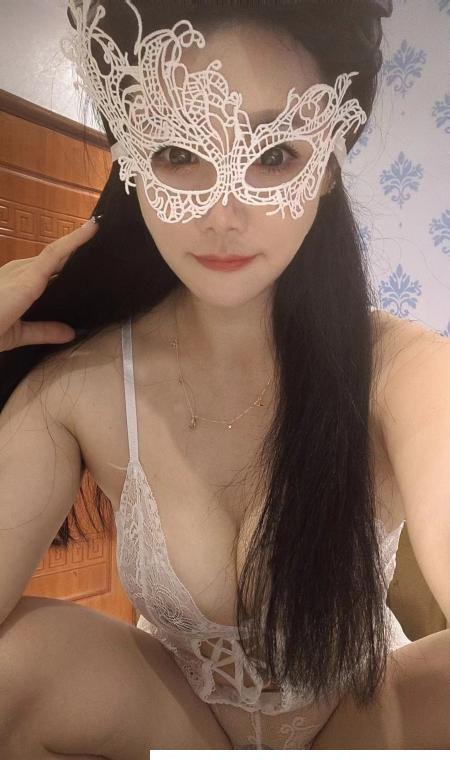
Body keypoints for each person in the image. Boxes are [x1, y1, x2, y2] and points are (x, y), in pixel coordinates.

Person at [0, 0, 449, 755]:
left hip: (362, 721)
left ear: (328, 164)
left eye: (273, 155)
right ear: (133, 162)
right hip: (178, 720)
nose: (223, 212)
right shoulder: (80, 384)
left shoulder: (403, 371)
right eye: (180, 150)